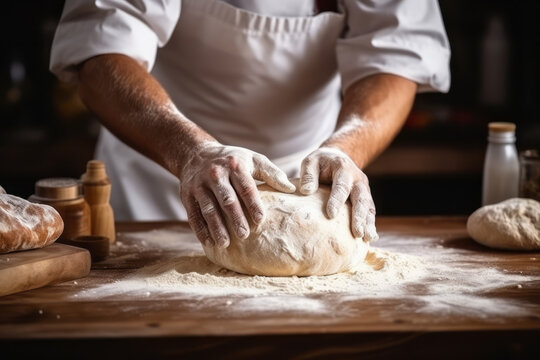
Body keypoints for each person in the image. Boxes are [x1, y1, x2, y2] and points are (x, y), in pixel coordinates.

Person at [50, 0, 450, 248]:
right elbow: (101, 47)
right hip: (159, 165)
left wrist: (344, 149)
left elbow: (398, 54)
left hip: (309, 178)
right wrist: (192, 151)